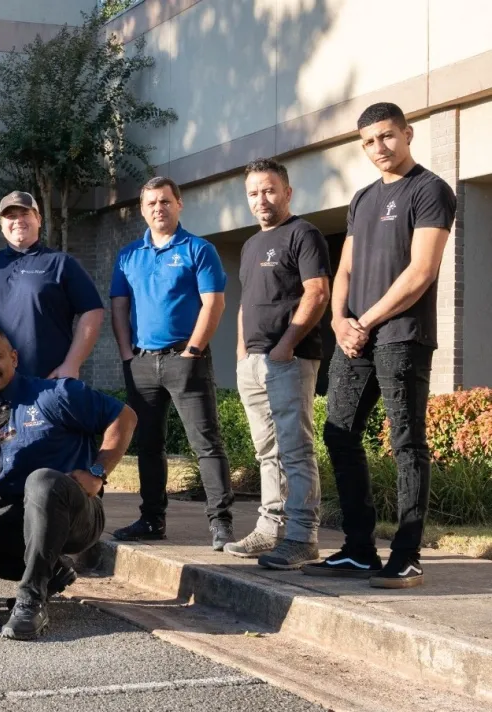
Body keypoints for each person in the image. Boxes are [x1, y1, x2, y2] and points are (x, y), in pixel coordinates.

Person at [303, 102, 456, 588]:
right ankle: (358, 548)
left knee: (406, 441)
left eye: (387, 136)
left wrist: (364, 321)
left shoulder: (431, 190)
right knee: (339, 433)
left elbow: (421, 271)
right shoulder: (363, 198)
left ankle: (407, 554)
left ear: (407, 134)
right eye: (368, 141)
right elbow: (343, 267)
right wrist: (338, 319)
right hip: (356, 338)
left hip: (401, 336)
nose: (378, 148)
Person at [0, 325, 137, 640]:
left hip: (74, 514)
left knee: (41, 481)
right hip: (16, 524)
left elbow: (124, 416)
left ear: (14, 358)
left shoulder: (55, 394)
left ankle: (32, 599)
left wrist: (98, 472)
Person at [109, 176, 235, 550]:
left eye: (165, 201)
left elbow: (214, 302)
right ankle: (151, 520)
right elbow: (119, 306)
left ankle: (221, 523)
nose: (158, 209)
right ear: (142, 210)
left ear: (179, 204)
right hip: (142, 363)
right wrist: (126, 355)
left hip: (186, 360)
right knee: (148, 446)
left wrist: (193, 351)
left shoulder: (199, 249)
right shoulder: (128, 255)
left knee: (206, 443)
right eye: (151, 204)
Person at [224, 158, 331, 570]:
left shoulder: (304, 234)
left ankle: (303, 536)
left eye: (269, 190)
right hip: (252, 363)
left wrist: (285, 345)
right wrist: (240, 353)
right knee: (266, 450)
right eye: (253, 193)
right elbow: (245, 304)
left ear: (287, 192)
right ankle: (270, 529)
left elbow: (317, 292)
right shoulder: (251, 245)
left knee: (295, 449)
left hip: (289, 359)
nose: (261, 199)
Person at [0, 191, 104, 388]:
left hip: (48, 384)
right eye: (11, 216)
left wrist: (72, 364)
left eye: (25, 214)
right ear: (1, 223)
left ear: (38, 219)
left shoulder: (61, 263)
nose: (18, 220)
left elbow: (93, 311)